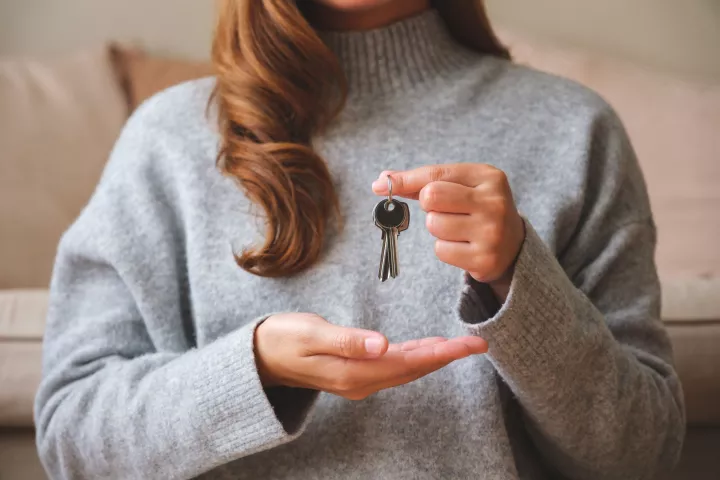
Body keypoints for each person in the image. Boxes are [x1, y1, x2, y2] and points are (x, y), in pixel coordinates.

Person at [34, 0, 685, 478]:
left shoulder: (574, 131)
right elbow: (71, 437)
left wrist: (520, 277)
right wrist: (253, 369)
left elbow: (641, 455)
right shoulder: (170, 141)